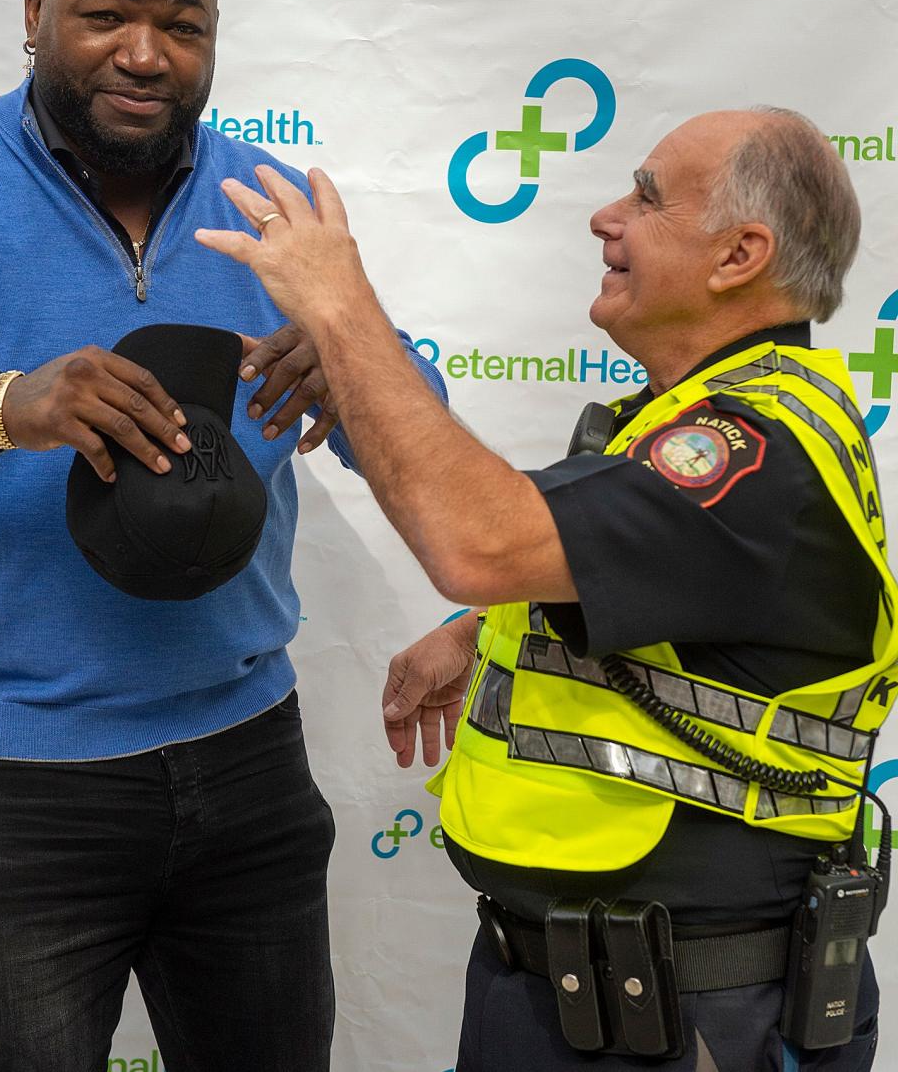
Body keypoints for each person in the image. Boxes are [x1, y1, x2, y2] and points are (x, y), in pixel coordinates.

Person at [196, 107, 896, 1071]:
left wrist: (339, 308)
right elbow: (651, 588)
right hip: (577, 994)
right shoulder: (688, 419)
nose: (606, 217)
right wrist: (484, 627)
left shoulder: (751, 452)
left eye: (647, 197)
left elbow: (477, 540)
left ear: (740, 254)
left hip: (692, 1014)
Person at [0, 0, 446, 1072]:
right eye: (104, 13)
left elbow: (417, 419)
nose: (145, 52)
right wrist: (3, 404)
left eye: (184, 21)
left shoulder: (273, 203)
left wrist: (357, 371)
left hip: (248, 767)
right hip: (0, 788)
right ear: (32, 9)